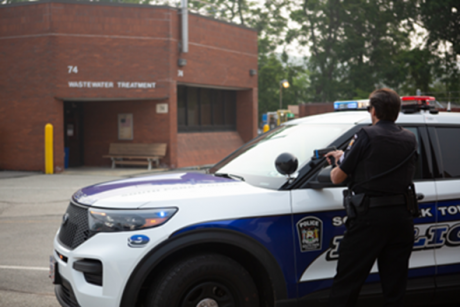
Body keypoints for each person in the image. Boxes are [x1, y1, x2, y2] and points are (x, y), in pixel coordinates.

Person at [325, 88, 417, 307]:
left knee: (346, 285)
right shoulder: (410, 137)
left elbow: (337, 178)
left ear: (374, 110)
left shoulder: (365, 135)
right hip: (401, 218)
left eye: (369, 108)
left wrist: (339, 160)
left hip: (369, 220)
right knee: (394, 288)